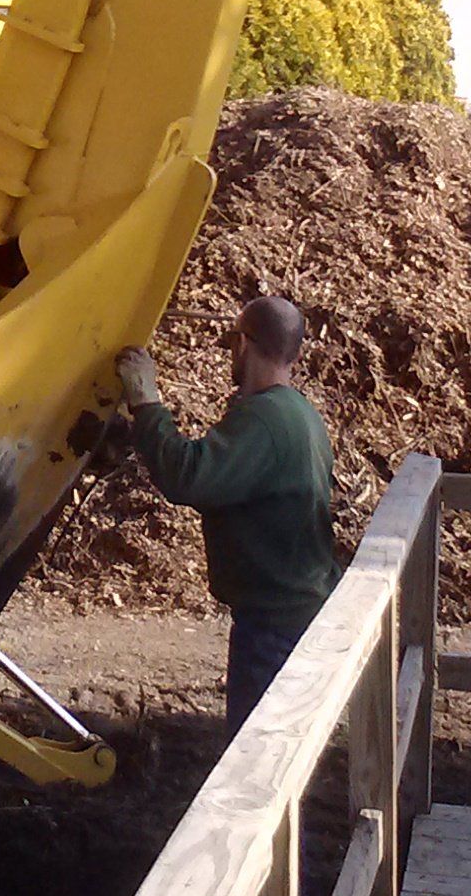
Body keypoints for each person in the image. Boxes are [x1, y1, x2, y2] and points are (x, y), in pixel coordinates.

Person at [114, 295, 337, 733]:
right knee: (272, 752)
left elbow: (189, 476)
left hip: (277, 623)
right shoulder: (298, 414)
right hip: (296, 610)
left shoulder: (265, 420)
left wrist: (145, 401)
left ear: (242, 344)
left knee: (254, 756)